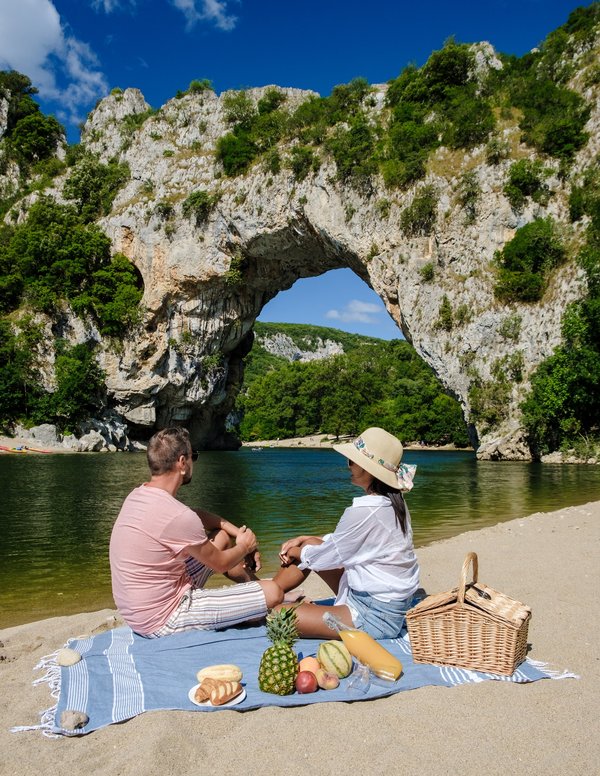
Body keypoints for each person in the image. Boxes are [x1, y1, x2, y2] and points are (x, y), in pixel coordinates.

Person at [109, 427, 282, 637]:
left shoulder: (138, 494)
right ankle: (253, 602)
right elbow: (220, 563)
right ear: (182, 463)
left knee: (221, 537)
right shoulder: (177, 516)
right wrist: (245, 546)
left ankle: (251, 591)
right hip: (164, 618)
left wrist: (237, 532)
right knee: (273, 592)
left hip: (137, 612)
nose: (194, 462)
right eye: (194, 456)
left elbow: (197, 515)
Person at [273, 427, 421, 639]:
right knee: (311, 544)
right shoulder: (394, 502)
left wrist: (295, 551)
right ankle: (270, 594)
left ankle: (268, 596)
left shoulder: (366, 510)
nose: (348, 466)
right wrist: (305, 539)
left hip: (374, 615)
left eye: (352, 461)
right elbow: (347, 541)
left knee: (279, 616)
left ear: (368, 469)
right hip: (386, 604)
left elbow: (325, 558)